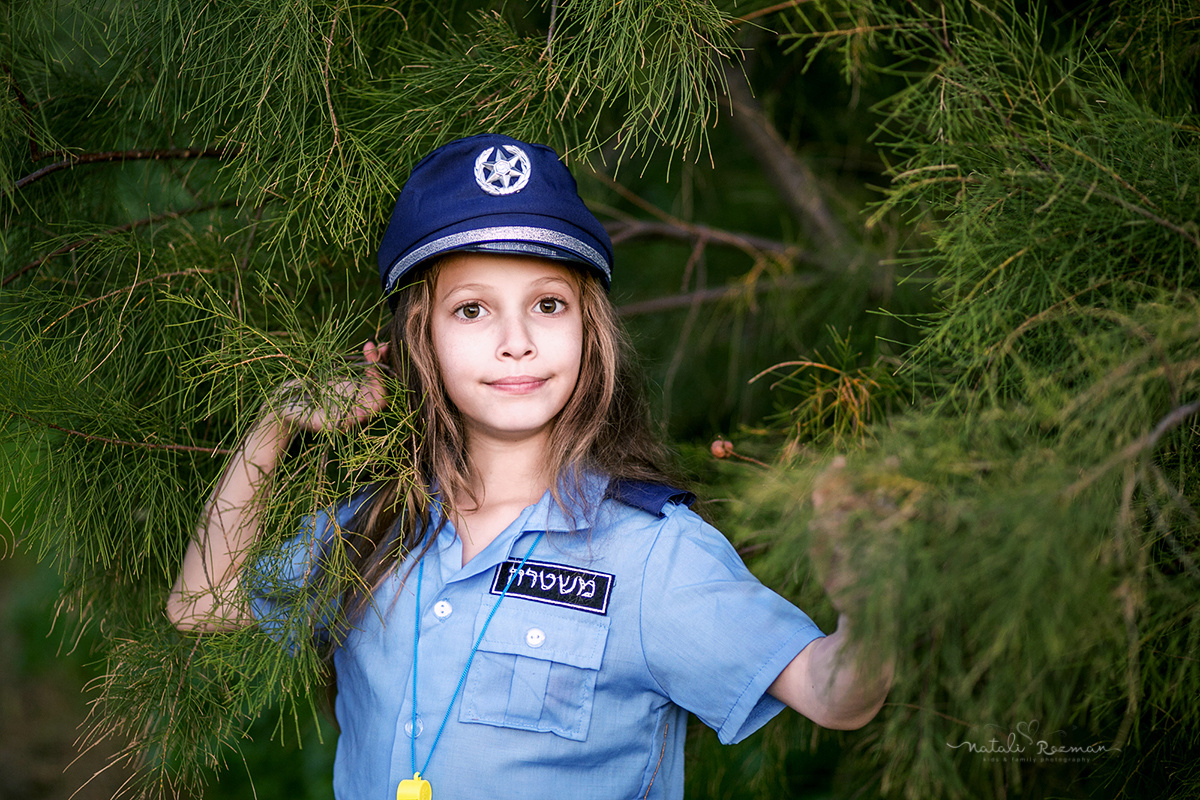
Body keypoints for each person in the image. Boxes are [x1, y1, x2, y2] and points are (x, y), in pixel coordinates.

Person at [166, 133, 893, 800]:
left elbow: (835, 696)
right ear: (419, 338)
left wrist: (873, 606)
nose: (515, 341)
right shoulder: (373, 530)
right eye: (472, 311)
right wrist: (276, 424)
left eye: (547, 305)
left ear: (589, 332)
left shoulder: (652, 556)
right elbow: (200, 605)